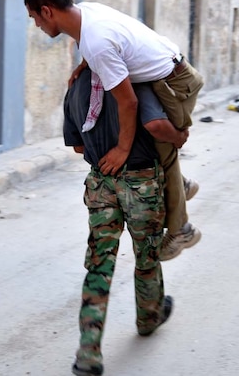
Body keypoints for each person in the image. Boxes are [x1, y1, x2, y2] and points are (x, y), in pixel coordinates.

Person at [25, 0, 204, 261]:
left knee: (160, 138)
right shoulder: (85, 13)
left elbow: (128, 102)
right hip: (159, 70)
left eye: (34, 17)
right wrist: (85, 64)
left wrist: (121, 151)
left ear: (47, 11)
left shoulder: (96, 44)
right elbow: (108, 41)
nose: (36, 24)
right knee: (154, 135)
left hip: (175, 82)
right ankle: (180, 184)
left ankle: (182, 229)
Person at [64, 66, 180, 376]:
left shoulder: (75, 86)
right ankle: (148, 318)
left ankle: (88, 353)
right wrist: (180, 136)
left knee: (99, 265)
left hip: (101, 183)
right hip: (141, 183)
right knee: (147, 255)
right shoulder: (133, 81)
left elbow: (77, 145)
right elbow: (156, 124)